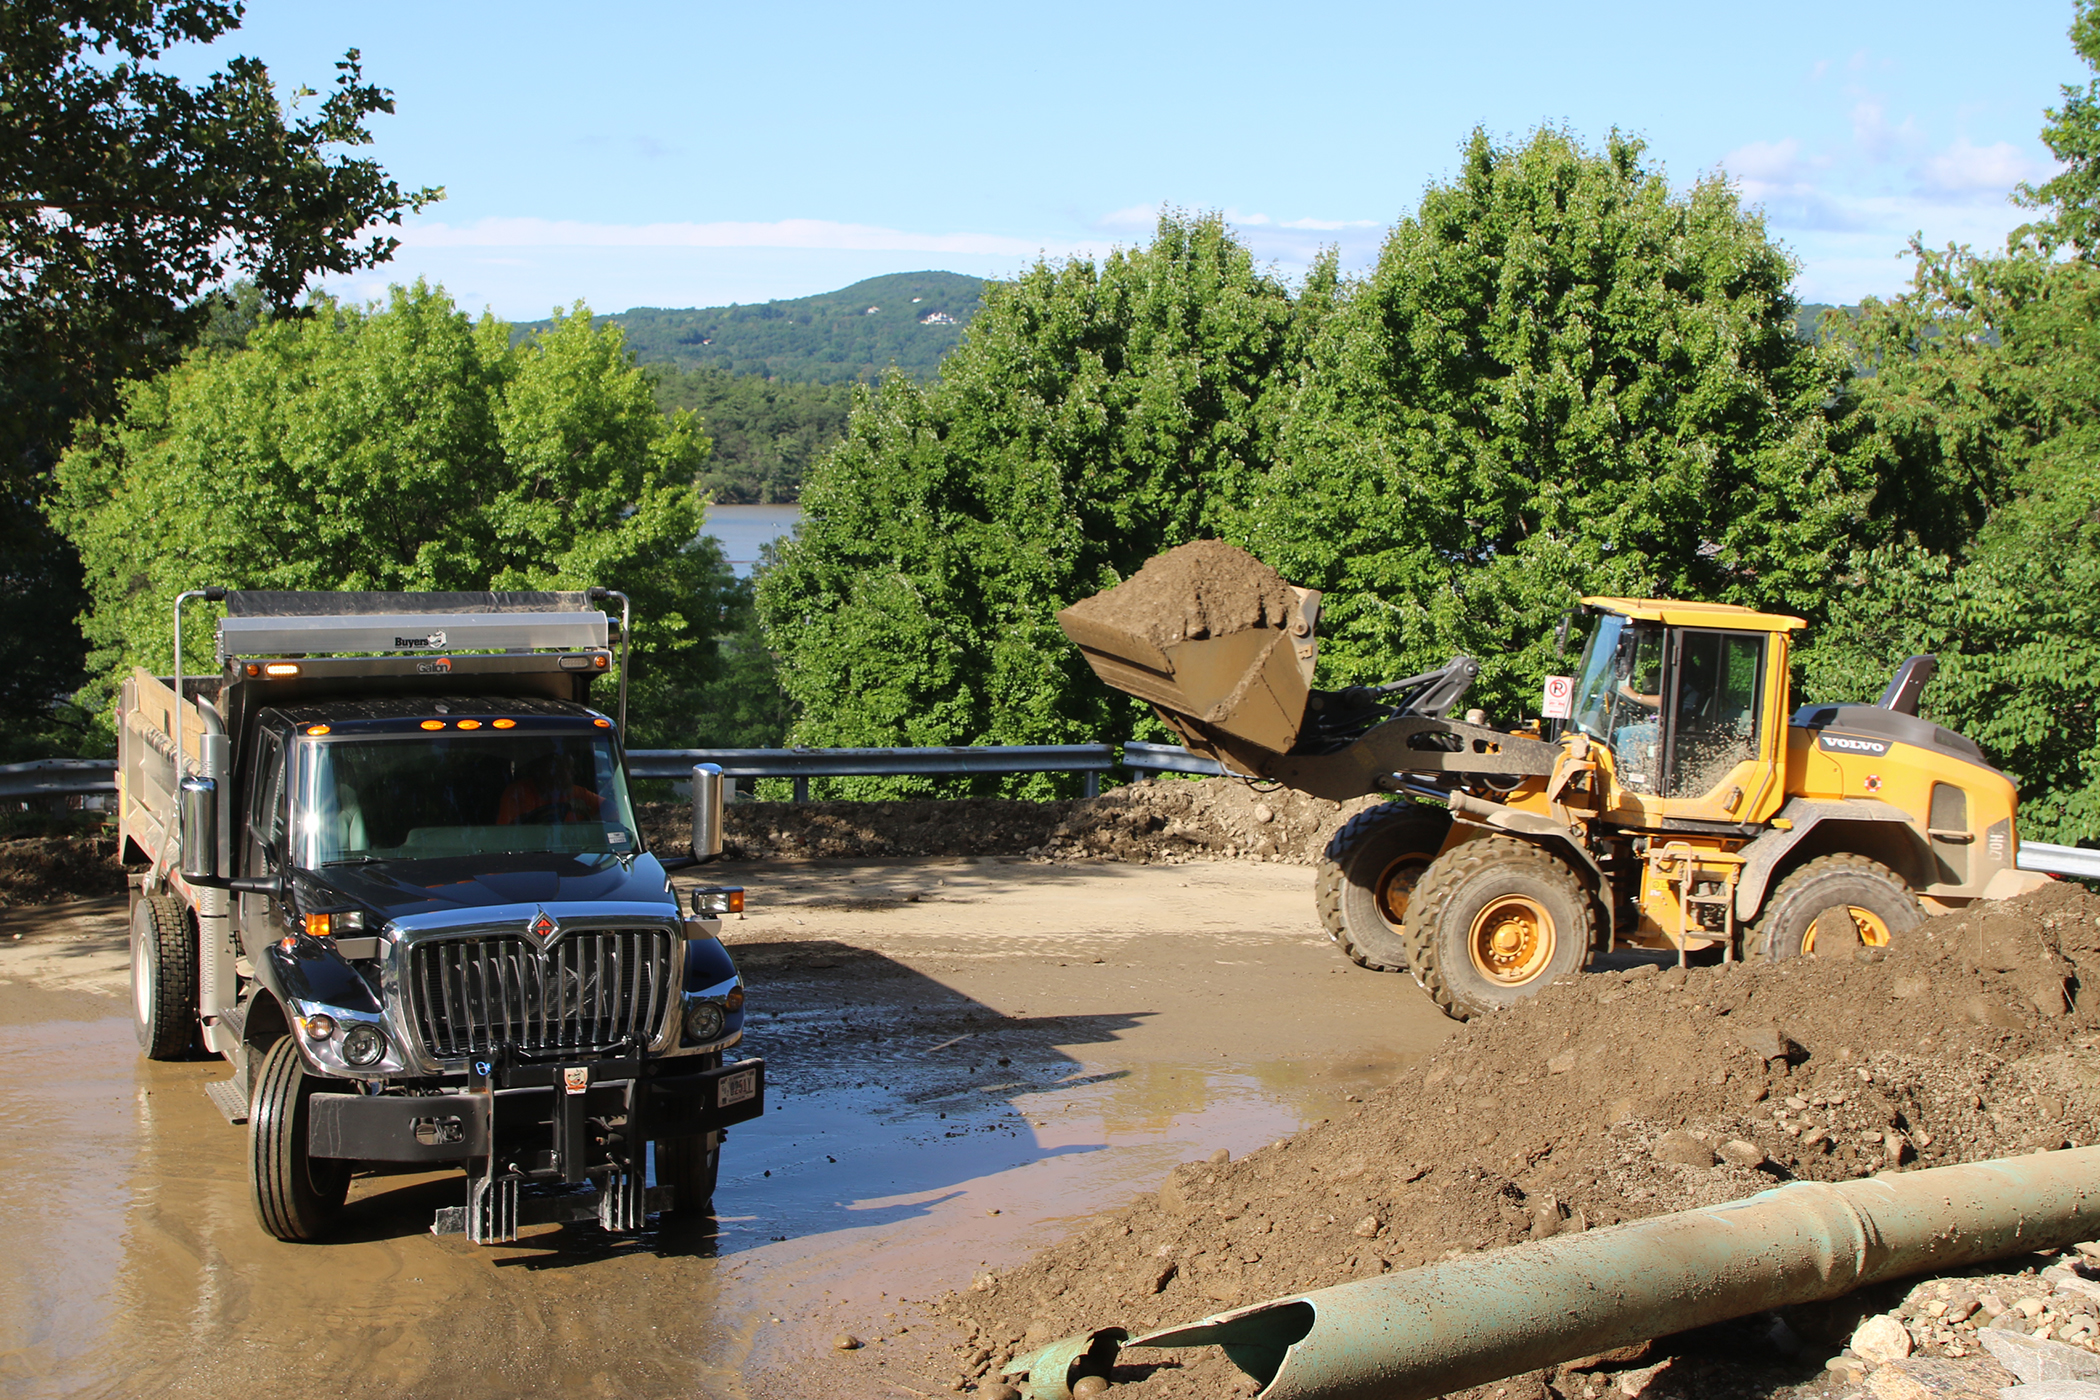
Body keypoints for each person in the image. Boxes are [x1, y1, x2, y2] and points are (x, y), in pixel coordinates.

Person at [497, 750, 603, 825]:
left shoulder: (577, 793)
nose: (574, 773)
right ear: (552, 771)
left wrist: (592, 817)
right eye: (568, 768)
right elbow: (507, 834)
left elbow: (612, 811)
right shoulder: (518, 794)